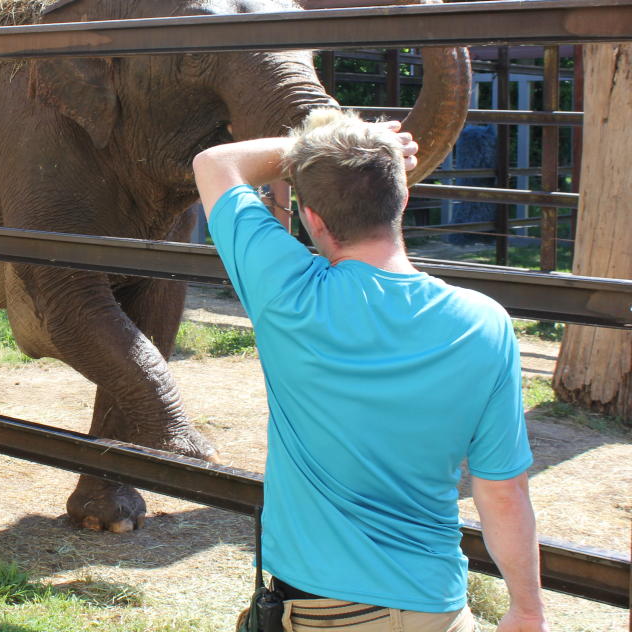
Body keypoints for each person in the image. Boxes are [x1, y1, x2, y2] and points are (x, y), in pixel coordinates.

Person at [192, 109, 547, 632]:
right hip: (437, 609)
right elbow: (503, 491)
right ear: (402, 199)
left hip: (324, 612)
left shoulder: (288, 293)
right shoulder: (484, 322)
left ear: (312, 218)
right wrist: (527, 610)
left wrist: (328, 147)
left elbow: (215, 163)